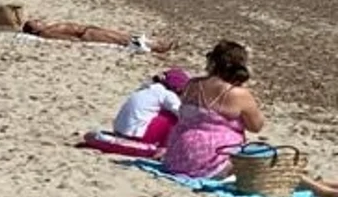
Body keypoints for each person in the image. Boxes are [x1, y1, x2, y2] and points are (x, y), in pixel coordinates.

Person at [163, 41, 264, 179]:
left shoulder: (192, 84)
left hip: (177, 156)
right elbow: (256, 126)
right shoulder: (237, 93)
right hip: (213, 158)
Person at [113, 68, 189, 146]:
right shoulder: (167, 94)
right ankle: (165, 146)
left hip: (119, 131)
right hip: (135, 135)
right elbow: (182, 114)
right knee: (171, 118)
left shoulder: (146, 88)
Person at [20, 17, 174, 53]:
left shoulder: (48, 28)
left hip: (88, 30)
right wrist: (79, 39)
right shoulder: (46, 32)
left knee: (122, 35)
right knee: (121, 39)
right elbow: (68, 38)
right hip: (86, 34)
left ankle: (152, 42)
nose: (38, 21)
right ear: (33, 30)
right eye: (35, 23)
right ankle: (155, 46)